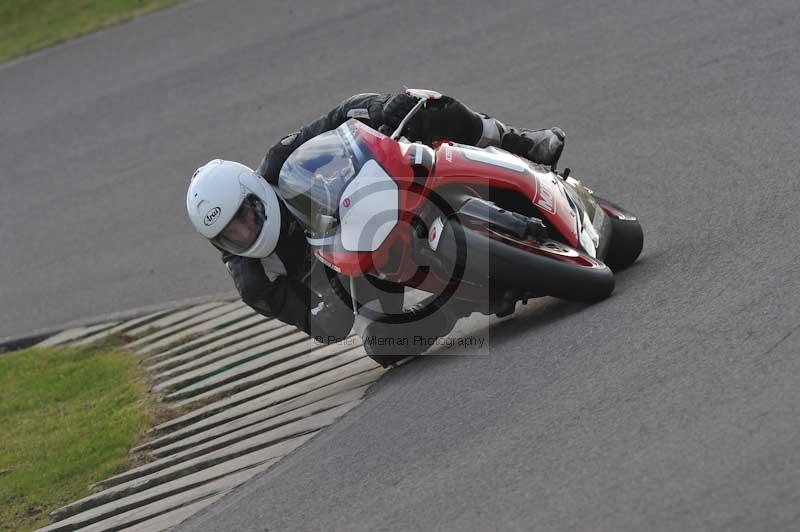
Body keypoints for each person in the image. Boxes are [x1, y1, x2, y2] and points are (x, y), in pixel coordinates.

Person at [186, 91, 566, 365]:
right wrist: (332, 291)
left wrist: (380, 108)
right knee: (385, 345)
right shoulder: (256, 280)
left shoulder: (279, 161)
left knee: (424, 108)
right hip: (356, 271)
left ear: (254, 192)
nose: (243, 233)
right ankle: (461, 302)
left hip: (370, 198)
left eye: (244, 216)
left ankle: (519, 142)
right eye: (229, 234)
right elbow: (324, 327)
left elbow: (338, 117)